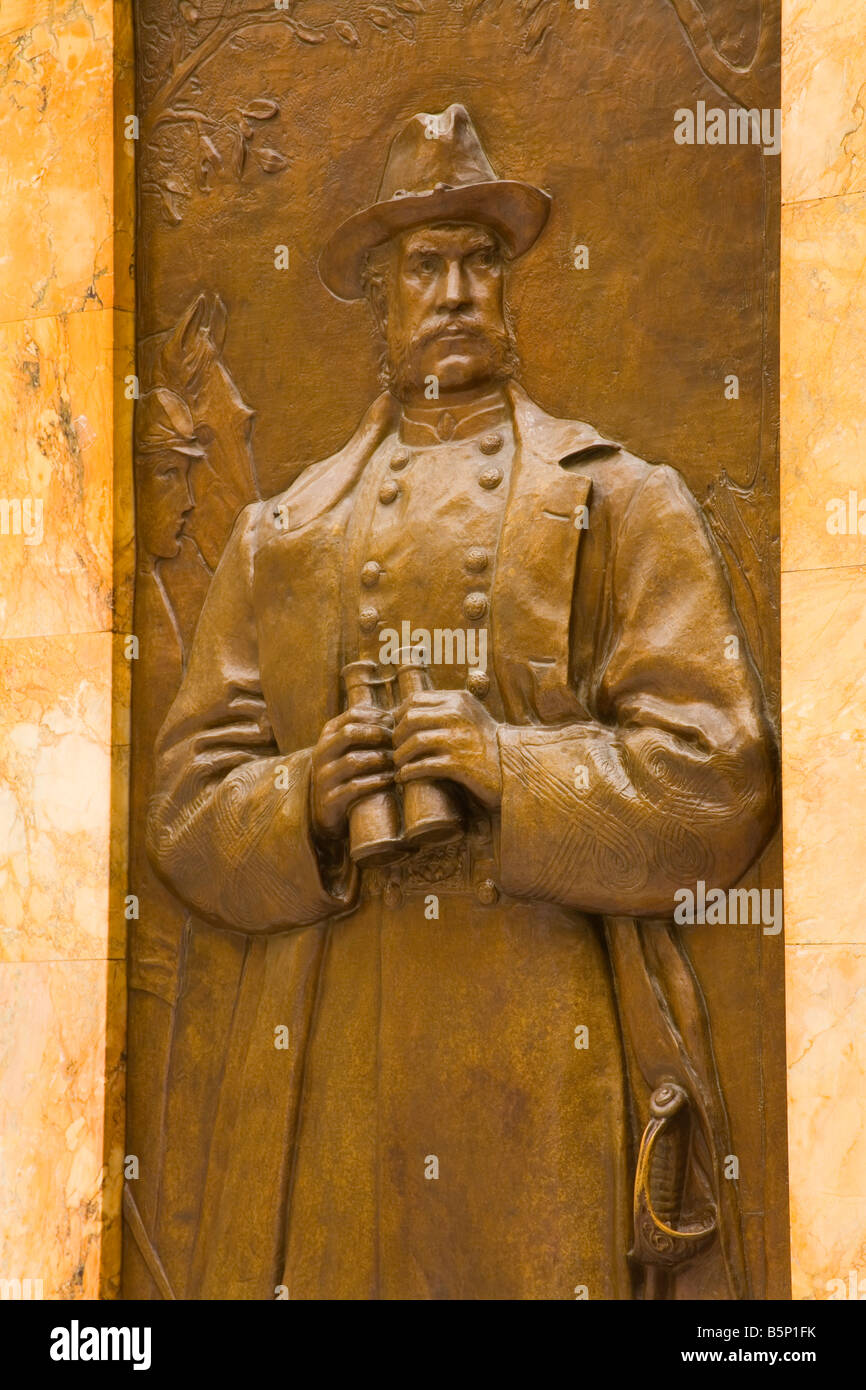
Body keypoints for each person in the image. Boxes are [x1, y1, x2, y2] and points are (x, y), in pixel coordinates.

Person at [140, 105, 777, 1300]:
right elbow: (183, 803)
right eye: (423, 264)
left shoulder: (622, 502)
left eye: (480, 261)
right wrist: (302, 799)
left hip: (544, 1041)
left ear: (510, 289)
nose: (455, 290)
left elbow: (720, 775)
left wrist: (509, 766)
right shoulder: (285, 535)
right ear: (380, 300)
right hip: (328, 1052)